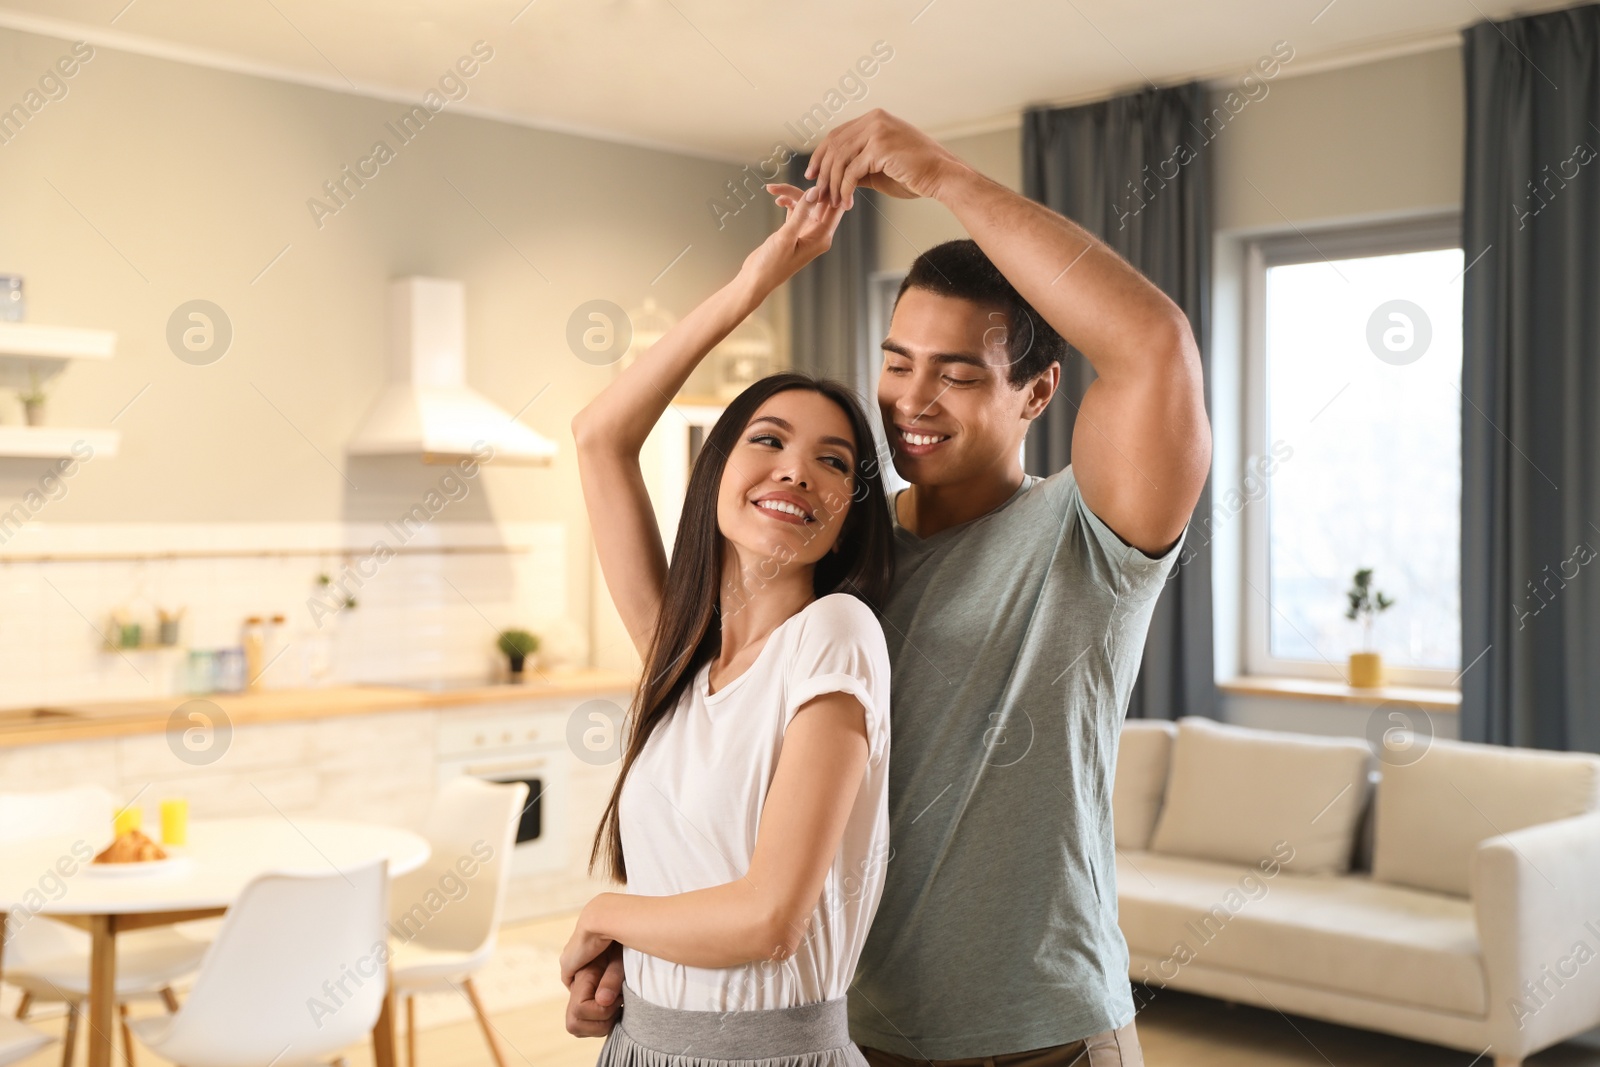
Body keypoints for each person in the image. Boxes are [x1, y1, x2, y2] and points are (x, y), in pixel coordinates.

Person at [570, 108, 1210, 1065]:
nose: (912, 399)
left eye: (956, 375)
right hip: (856, 1036)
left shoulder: (1086, 534)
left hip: (1038, 1036)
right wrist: (758, 278)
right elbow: (599, 439)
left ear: (1037, 392)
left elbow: (1155, 343)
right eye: (896, 362)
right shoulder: (826, 582)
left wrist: (946, 176)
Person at [560, 177, 896, 1067]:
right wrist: (758, 278)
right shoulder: (677, 654)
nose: (796, 471)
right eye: (768, 439)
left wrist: (604, 914)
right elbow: (598, 435)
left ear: (847, 511)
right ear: (715, 471)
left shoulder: (837, 637)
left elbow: (770, 918)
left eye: (833, 461)